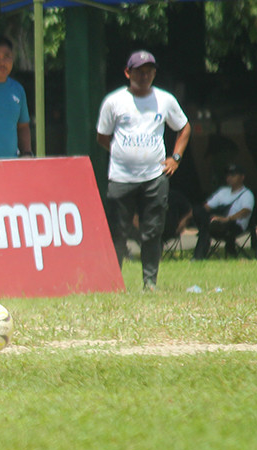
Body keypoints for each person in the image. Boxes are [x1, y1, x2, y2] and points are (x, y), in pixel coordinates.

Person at [96, 49, 191, 290]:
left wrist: (175, 158)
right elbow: (102, 137)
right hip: (121, 177)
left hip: (155, 176)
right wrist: (122, 152)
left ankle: (150, 283)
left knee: (152, 232)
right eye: (139, 71)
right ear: (128, 73)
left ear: (155, 73)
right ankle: (113, 283)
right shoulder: (114, 101)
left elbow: (184, 127)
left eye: (149, 71)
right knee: (118, 231)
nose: (144, 75)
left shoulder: (165, 100)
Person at [193, 164, 256, 260]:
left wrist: (227, 219)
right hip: (216, 222)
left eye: (233, 175)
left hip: (234, 225)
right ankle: (199, 255)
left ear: (242, 177)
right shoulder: (223, 191)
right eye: (228, 175)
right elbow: (206, 207)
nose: (229, 178)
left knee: (206, 229)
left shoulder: (247, 194)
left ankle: (198, 257)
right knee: (198, 211)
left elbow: (246, 211)